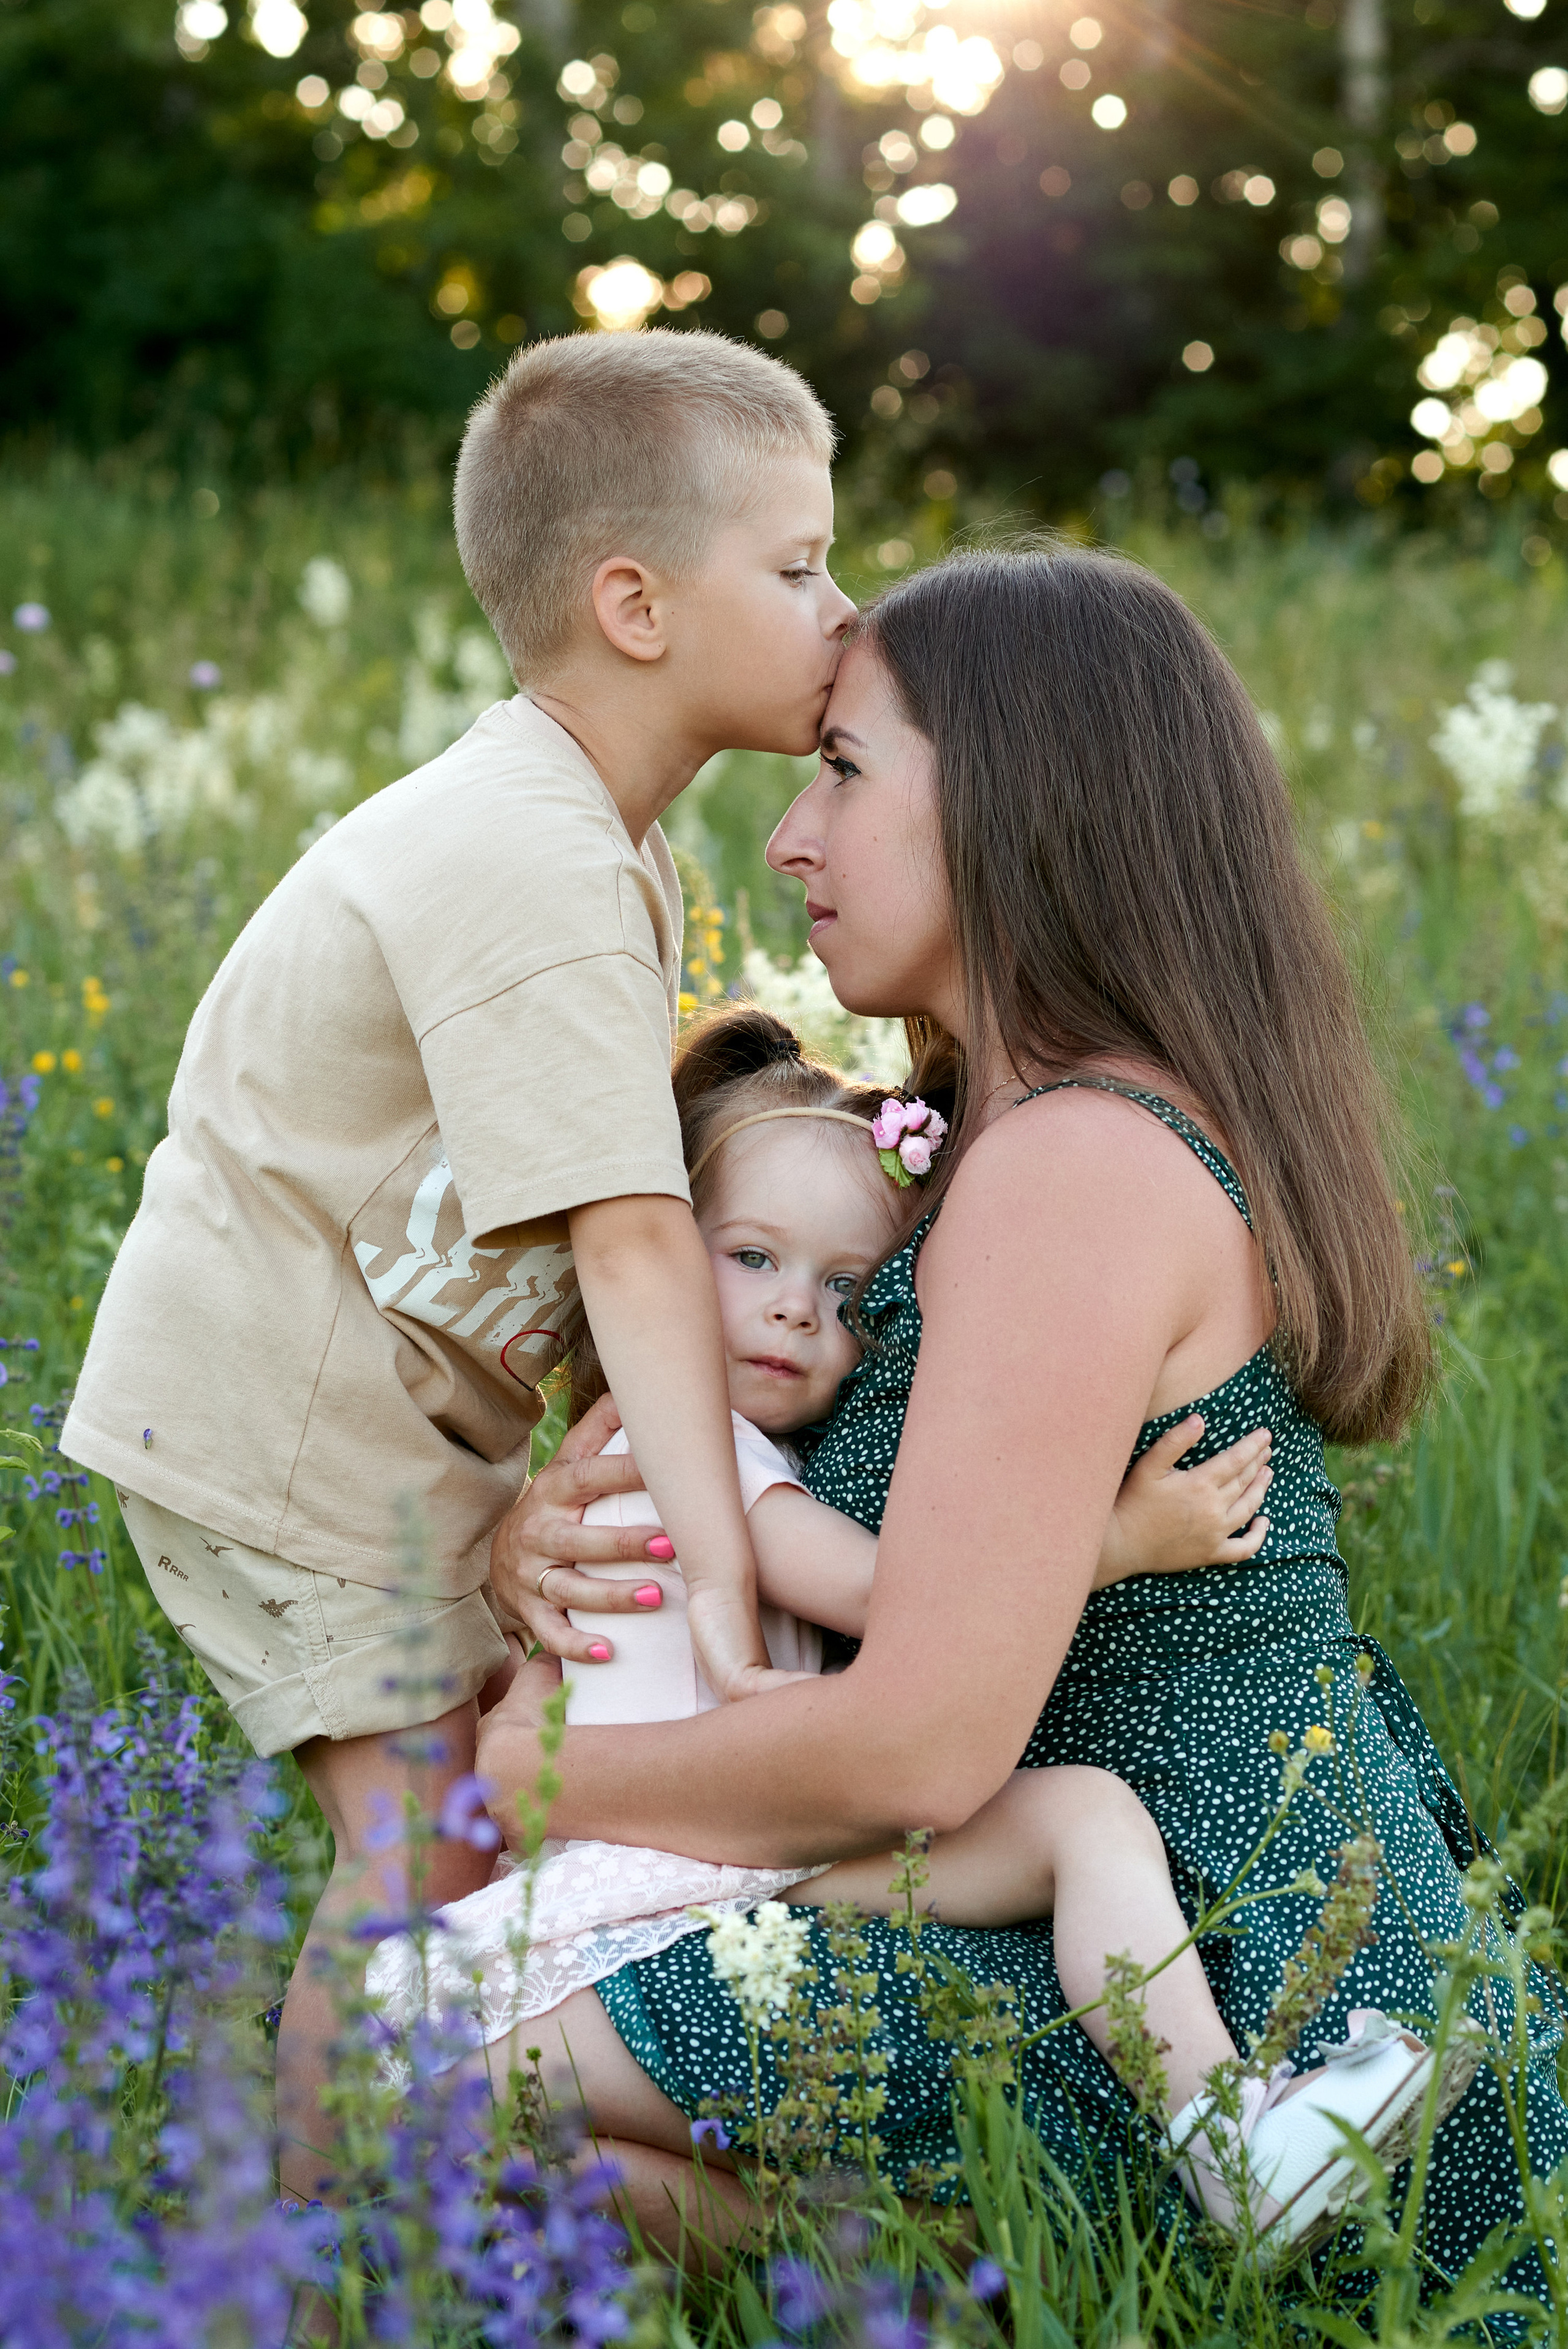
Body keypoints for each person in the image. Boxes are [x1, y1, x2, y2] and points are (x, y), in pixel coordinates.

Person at [475, 545, 1568, 2293]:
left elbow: (917, 1747)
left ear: (1017, 803)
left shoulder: (1075, 1166)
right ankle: (1002, 2272)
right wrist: (543, 1536)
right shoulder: (1014, 1127)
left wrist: (542, 1781)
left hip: (1195, 1954)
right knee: (517, 2155)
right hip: (1090, 1897)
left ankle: (1063, 2250)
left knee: (386, 2102)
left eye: (841, 768)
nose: (791, 838)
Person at [58, 328, 857, 2201]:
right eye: (803, 564)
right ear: (635, 604)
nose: (846, 606)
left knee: (466, 1832)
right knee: (420, 1838)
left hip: (379, 1426)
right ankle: (323, 2250)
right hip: (281, 1426)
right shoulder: (528, 852)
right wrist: (722, 1581)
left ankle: (443, 2182)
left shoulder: (595, 838)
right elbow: (635, 1238)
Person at [379, 1008, 1445, 2249]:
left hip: (704, 1847)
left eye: (842, 1290)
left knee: (1073, 1829)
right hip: (670, 1868)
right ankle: (1220, 2136)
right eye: (750, 1258)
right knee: (1083, 1817)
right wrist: (1116, 1541)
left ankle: (936, 2230)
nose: (794, 1313)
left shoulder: (740, 1449)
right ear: (661, 1262)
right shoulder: (687, 1448)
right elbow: (898, 1595)